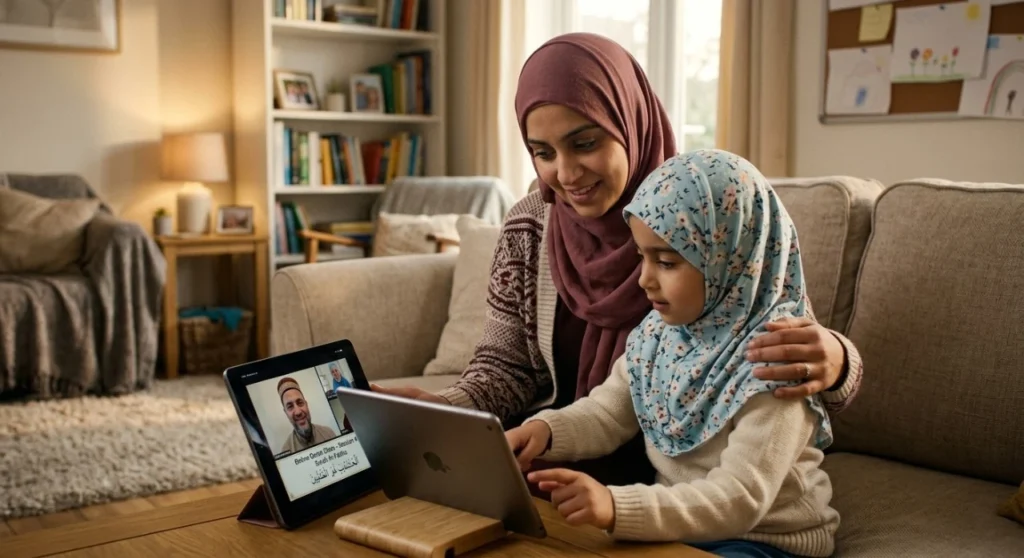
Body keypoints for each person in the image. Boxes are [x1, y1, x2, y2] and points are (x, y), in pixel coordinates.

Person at [372, 33, 863, 486]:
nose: (565, 173)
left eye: (585, 143)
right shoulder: (529, 224)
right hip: (557, 450)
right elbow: (507, 368)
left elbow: (774, 341)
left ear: (631, 121)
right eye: (542, 152)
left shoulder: (697, 210)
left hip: (677, 477)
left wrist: (838, 361)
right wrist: (446, 407)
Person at [506, 149, 839, 558]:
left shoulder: (778, 360)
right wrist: (545, 431)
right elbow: (608, 413)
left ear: (728, 259)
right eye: (641, 257)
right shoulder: (660, 335)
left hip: (765, 542)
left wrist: (616, 506)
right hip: (677, 528)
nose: (644, 279)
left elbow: (740, 497)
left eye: (665, 262)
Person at [276, 377, 338, 456]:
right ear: (286, 413)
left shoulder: (329, 433)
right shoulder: (286, 452)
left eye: (300, 402)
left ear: (306, 404)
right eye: (290, 406)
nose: (298, 412)